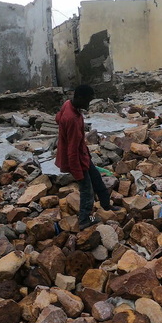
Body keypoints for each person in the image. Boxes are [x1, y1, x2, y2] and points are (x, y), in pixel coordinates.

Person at [55, 85, 116, 230]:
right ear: (80, 98)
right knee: (87, 191)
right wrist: (78, 173)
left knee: (97, 180)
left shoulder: (68, 105)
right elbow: (71, 151)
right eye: (88, 101)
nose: (88, 104)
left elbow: (57, 118)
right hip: (77, 160)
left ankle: (106, 207)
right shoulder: (72, 120)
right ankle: (84, 220)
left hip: (83, 155)